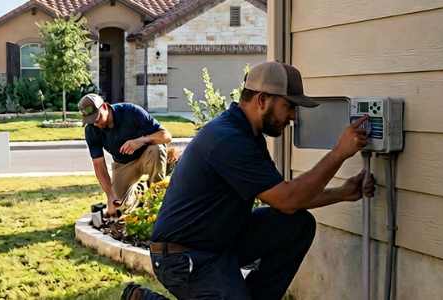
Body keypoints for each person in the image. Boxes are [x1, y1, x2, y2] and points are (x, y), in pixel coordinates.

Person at [149, 61, 376, 299]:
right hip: (183, 257)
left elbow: (281, 197)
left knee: (297, 225)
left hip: (219, 243)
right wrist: (339, 153)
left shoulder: (248, 134)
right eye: (288, 106)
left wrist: (342, 192)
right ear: (262, 100)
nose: (292, 117)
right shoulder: (228, 140)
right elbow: (288, 199)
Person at [80, 94, 172, 217]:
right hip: (123, 164)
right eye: (91, 121)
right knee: (118, 208)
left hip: (147, 155)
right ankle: (141, 190)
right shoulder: (91, 130)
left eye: (98, 118)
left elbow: (166, 136)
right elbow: (99, 165)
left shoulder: (131, 112)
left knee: (157, 148)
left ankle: (157, 198)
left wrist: (140, 141)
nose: (96, 124)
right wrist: (110, 196)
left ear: (105, 107)